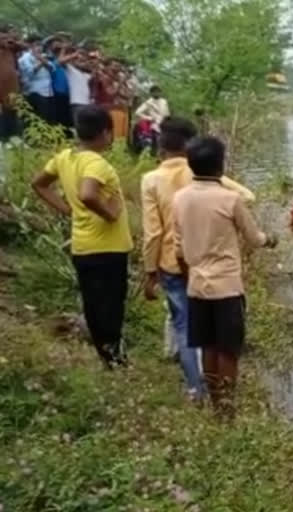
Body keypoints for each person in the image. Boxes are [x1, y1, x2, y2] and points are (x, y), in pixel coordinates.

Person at [141, 117, 255, 400]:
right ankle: (223, 400)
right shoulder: (211, 179)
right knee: (223, 341)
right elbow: (246, 197)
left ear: (162, 144)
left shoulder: (152, 180)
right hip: (216, 272)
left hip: (175, 263)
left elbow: (153, 232)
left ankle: (196, 388)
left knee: (186, 327)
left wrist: (149, 270)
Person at [173, 136, 276, 417]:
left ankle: (216, 404)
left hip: (197, 287)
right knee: (228, 350)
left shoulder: (179, 198)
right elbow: (254, 239)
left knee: (207, 346)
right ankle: (228, 410)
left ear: (191, 165)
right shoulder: (231, 199)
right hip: (227, 287)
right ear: (221, 165)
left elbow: (178, 248)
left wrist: (188, 275)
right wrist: (271, 240)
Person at [32, 105, 133, 369]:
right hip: (108, 248)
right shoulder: (96, 162)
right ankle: (115, 360)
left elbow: (39, 183)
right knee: (111, 305)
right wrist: (109, 214)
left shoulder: (65, 158)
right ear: (105, 133)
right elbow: (88, 194)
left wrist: (67, 209)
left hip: (83, 246)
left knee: (93, 304)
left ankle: (107, 358)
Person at [18, 35, 54, 124]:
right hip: (34, 92)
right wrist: (41, 61)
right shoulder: (25, 58)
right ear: (30, 46)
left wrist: (41, 58)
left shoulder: (43, 56)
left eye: (40, 45)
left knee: (47, 121)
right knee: (37, 122)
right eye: (37, 45)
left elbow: (52, 68)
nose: (39, 47)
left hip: (48, 92)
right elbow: (30, 73)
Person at [0, 25, 23, 141]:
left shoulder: (11, 49)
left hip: (11, 86)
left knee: (12, 111)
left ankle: (14, 137)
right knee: (2, 114)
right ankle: (3, 139)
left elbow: (22, 46)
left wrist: (11, 40)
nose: (4, 40)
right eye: (2, 38)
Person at [63, 47, 93, 121]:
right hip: (76, 104)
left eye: (84, 60)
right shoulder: (70, 70)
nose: (82, 61)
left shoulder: (86, 75)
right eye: (79, 60)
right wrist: (75, 54)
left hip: (87, 104)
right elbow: (61, 61)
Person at [48, 42, 72, 129]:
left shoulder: (66, 62)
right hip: (57, 92)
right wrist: (63, 48)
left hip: (67, 93)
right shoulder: (51, 60)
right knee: (61, 118)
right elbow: (59, 61)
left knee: (67, 118)